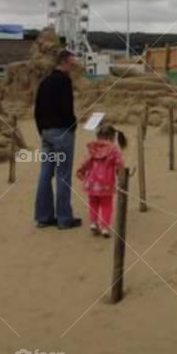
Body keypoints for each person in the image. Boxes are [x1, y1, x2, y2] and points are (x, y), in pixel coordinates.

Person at [33, 50, 82, 229]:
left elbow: (37, 109)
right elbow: (66, 108)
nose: (73, 66)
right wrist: (72, 125)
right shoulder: (63, 81)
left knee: (45, 173)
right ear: (64, 62)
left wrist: (42, 130)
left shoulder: (45, 82)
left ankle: (43, 216)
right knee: (63, 175)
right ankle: (63, 218)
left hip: (46, 132)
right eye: (71, 63)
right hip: (62, 131)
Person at [75, 125, 126, 237]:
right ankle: (105, 228)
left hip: (92, 183)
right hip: (106, 184)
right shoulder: (114, 150)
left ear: (98, 136)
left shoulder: (93, 148)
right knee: (106, 205)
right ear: (113, 137)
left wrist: (81, 171)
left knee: (93, 202)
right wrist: (121, 175)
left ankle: (93, 223)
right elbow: (119, 164)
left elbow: (86, 161)